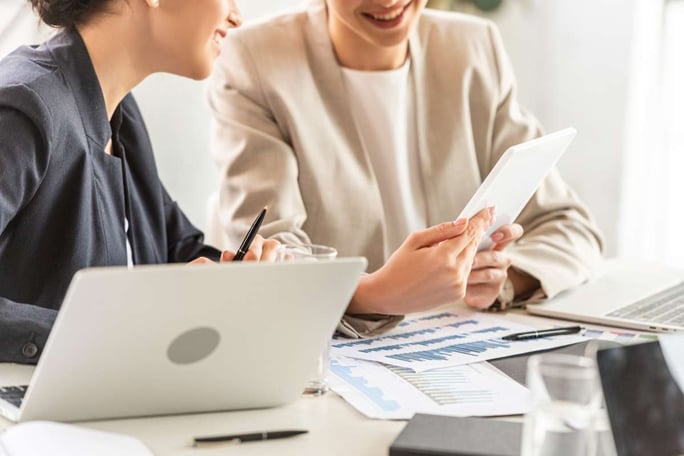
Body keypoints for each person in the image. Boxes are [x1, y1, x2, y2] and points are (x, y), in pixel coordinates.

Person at [207, 0, 604, 335]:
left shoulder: (473, 48)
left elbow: (570, 226)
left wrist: (502, 278)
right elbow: (270, 258)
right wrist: (376, 292)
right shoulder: (255, 60)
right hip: (334, 359)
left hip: (456, 354)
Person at [0, 0, 281, 364]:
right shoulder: (23, 110)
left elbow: (173, 250)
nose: (236, 15)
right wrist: (116, 327)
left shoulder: (120, 110)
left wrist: (240, 281)